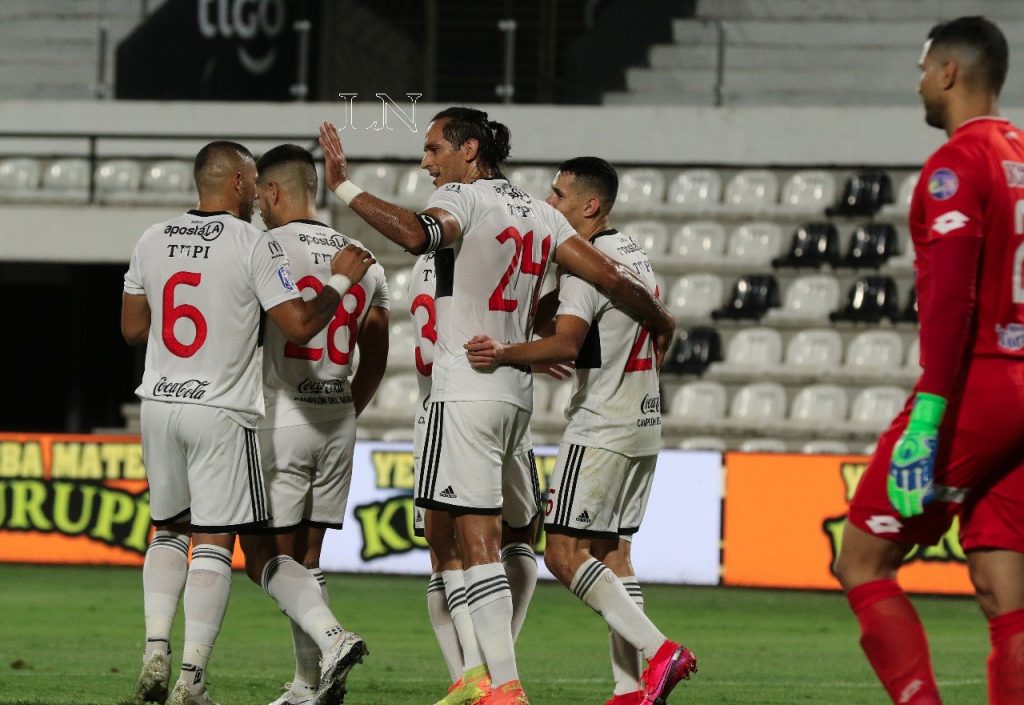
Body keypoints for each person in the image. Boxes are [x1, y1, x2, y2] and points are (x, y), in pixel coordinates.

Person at [318, 107, 677, 705]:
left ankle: (497, 683)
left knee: (470, 542)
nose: (427, 161)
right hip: (516, 398)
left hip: (464, 390)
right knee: (513, 538)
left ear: (469, 152)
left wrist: (344, 186)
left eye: (435, 149)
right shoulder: (539, 212)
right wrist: (662, 317)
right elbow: (612, 280)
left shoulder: (464, 199)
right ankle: (501, 681)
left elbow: (415, 234)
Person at [122, 141, 375, 705]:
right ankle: (190, 681)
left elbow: (133, 330)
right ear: (239, 182)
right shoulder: (252, 244)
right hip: (224, 410)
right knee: (215, 542)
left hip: (160, 403)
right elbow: (300, 322)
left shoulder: (152, 237)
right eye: (252, 179)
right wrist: (336, 280)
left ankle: (154, 650)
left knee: (168, 529)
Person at [833, 16, 1024, 705]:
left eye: (922, 70)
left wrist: (930, 415)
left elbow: (952, 301)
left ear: (947, 72)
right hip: (1023, 389)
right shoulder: (1022, 153)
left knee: (861, 561)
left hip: (977, 385)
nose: (918, 83)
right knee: (1007, 587)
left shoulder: (957, 162)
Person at [465, 156, 697, 705]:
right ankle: (629, 688)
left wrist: (503, 353)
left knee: (563, 554)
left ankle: (662, 651)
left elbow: (566, 343)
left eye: (560, 195)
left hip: (600, 427)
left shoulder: (588, 265)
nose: (550, 204)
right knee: (613, 555)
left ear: (590, 206)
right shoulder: (634, 254)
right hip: (643, 424)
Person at [240, 144, 390, 705]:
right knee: (307, 560)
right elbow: (375, 354)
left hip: (282, 418)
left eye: (259, 194)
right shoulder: (362, 255)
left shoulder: (269, 246)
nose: (256, 205)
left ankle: (331, 640)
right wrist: (343, 406)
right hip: (338, 419)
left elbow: (290, 327)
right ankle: (309, 687)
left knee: (267, 558)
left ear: (274, 191)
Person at [408, 252, 542, 705]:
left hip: (443, 410)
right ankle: (485, 671)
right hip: (499, 404)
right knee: (518, 534)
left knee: (445, 545)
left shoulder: (423, 267)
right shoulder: (494, 251)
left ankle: (474, 674)